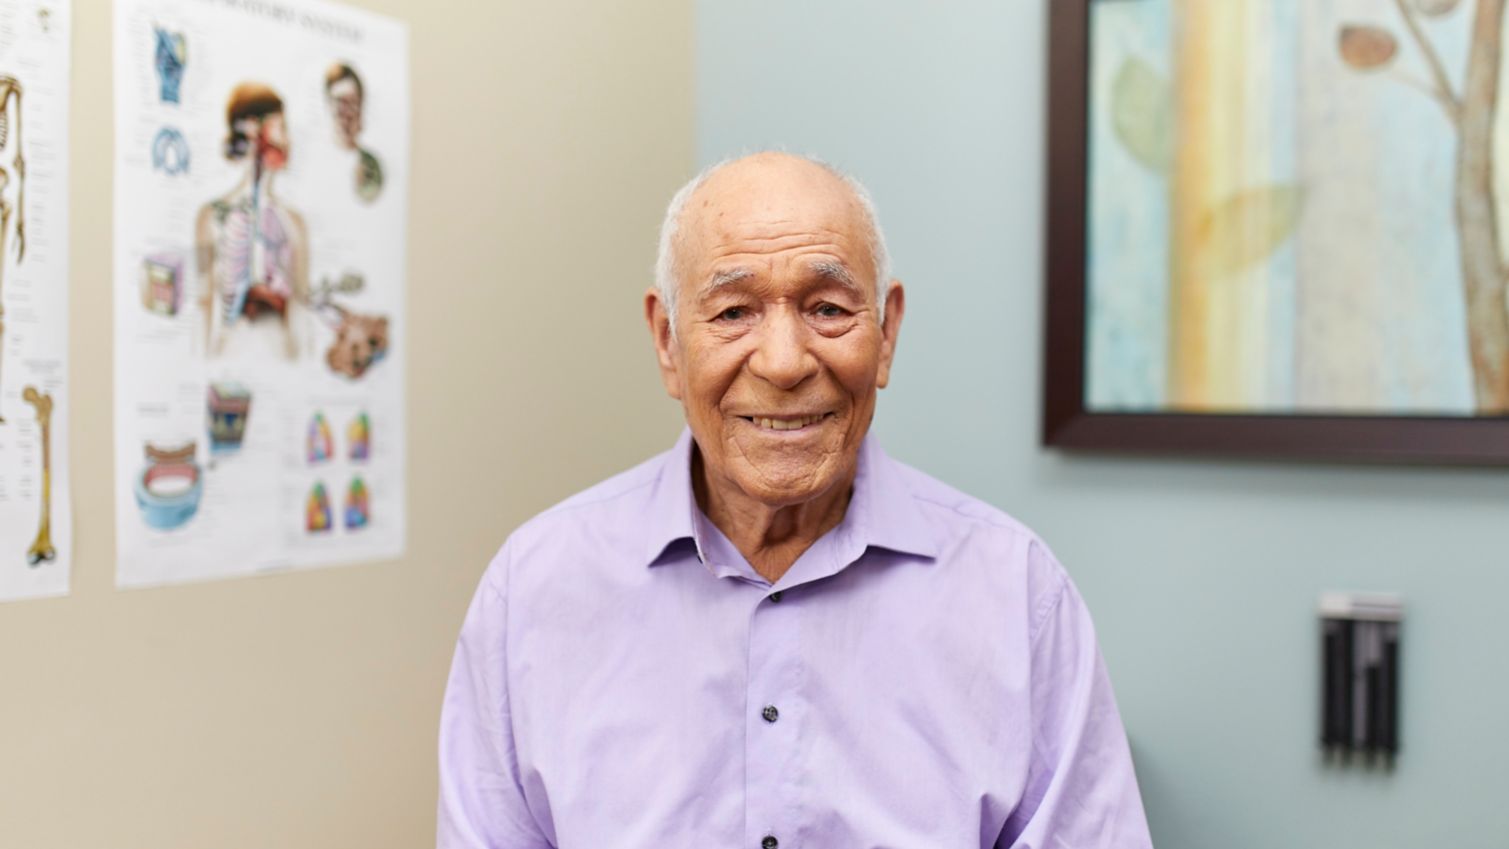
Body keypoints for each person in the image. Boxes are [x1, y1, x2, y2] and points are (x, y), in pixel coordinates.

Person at [437, 152, 1153, 848]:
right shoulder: (534, 588)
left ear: (886, 332)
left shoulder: (1014, 593)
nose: (782, 361)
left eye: (827, 307)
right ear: (665, 341)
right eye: (732, 312)